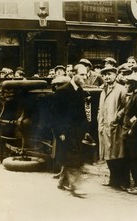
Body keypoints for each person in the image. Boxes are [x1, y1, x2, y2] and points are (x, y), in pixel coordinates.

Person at [52, 64, 89, 198]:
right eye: (82, 74)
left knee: (71, 155)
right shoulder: (62, 91)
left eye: (86, 74)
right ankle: (76, 187)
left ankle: (62, 182)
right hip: (65, 132)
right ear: (74, 74)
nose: (85, 77)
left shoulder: (80, 91)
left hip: (77, 131)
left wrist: (85, 130)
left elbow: (82, 113)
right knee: (73, 158)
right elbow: (55, 114)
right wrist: (60, 132)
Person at [97, 66, 129, 190]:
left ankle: (124, 182)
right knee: (108, 155)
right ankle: (113, 180)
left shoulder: (121, 89)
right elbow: (101, 108)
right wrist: (99, 122)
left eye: (109, 74)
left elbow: (125, 107)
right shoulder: (103, 91)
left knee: (119, 155)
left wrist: (117, 117)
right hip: (104, 127)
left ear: (115, 75)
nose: (107, 77)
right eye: (105, 75)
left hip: (116, 127)